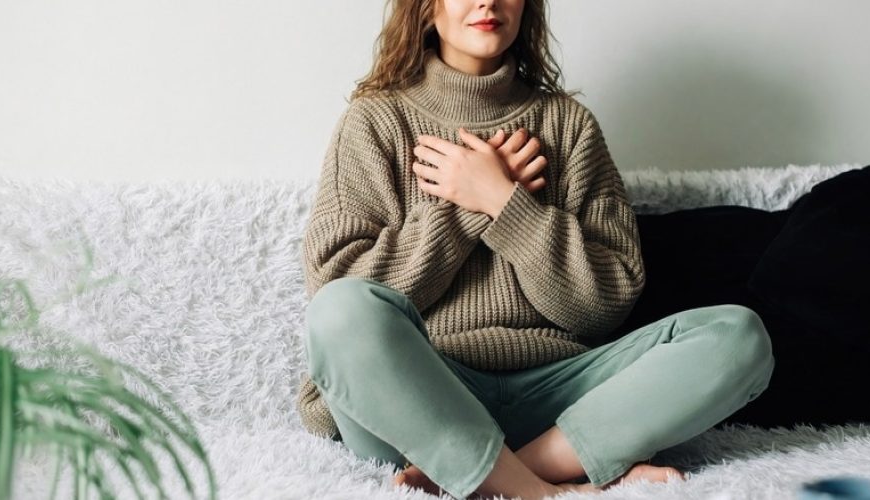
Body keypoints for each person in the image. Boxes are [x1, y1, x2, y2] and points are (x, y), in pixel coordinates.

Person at [296, 0, 775, 498]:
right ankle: (546, 491)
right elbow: (339, 290)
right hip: (423, 403)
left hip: (564, 398)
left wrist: (505, 202)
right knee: (338, 310)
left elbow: (602, 306)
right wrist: (463, 210)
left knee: (737, 336)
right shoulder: (374, 121)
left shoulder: (570, 126)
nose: (488, 1)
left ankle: (491, 475)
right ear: (425, 9)